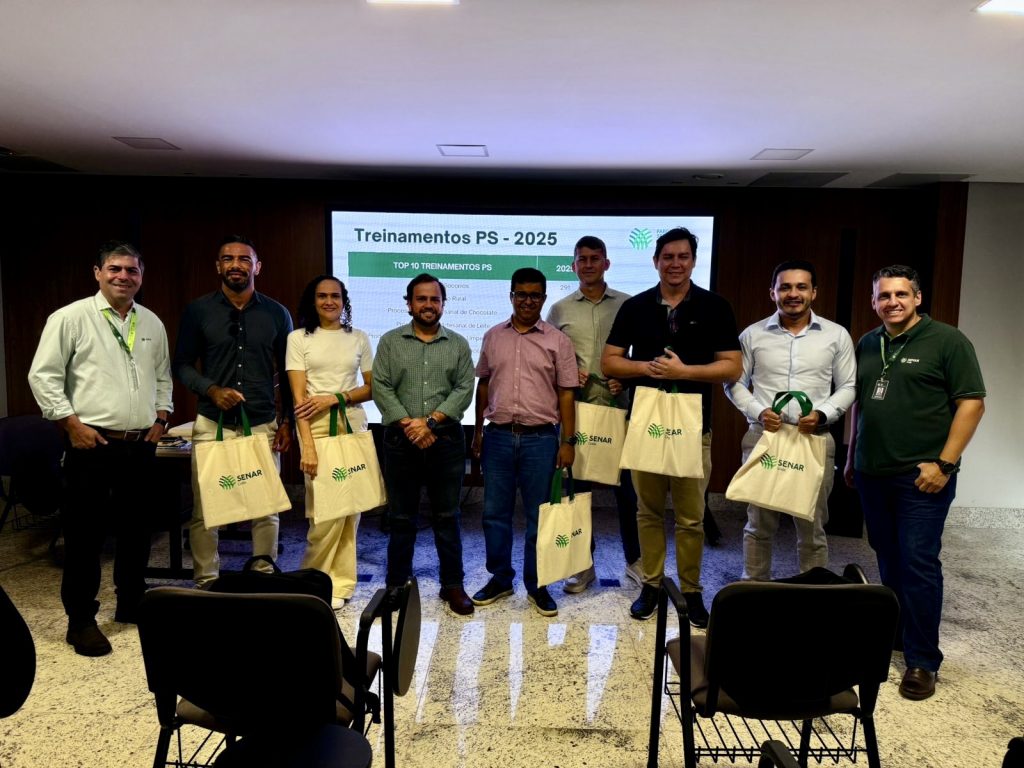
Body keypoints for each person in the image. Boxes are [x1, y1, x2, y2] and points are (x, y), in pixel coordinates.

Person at [844, 264, 985, 701]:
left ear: (917, 298)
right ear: (874, 302)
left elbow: (972, 404)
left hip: (922, 478)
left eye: (901, 294)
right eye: (884, 295)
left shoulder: (948, 341)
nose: (893, 302)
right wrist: (851, 456)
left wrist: (944, 464)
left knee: (919, 562)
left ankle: (923, 660)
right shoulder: (869, 342)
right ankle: (898, 635)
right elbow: (862, 404)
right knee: (887, 557)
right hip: (873, 473)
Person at [28, 241, 173, 656]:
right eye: (115, 268)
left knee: (137, 531)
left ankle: (131, 603)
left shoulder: (151, 321)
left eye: (132, 270)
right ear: (98, 272)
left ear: (141, 276)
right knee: (85, 535)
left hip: (140, 443)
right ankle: (81, 621)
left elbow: (162, 375)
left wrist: (162, 417)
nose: (123, 276)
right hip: (91, 443)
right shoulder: (70, 318)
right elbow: (43, 377)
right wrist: (70, 424)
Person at [602, 227, 741, 626]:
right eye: (668, 257)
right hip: (645, 423)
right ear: (656, 261)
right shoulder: (636, 306)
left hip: (694, 428)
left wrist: (685, 372)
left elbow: (732, 367)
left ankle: (692, 591)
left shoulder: (715, 306)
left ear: (693, 261)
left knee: (691, 516)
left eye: (683, 256)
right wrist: (647, 367)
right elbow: (610, 361)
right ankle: (651, 584)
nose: (675, 264)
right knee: (647, 511)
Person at [173, 235, 293, 587]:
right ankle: (206, 580)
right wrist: (211, 389)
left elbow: (290, 373)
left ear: (257, 267)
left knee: (265, 507)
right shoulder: (198, 311)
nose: (236, 265)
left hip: (262, 423)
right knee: (205, 509)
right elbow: (181, 364)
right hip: (214, 423)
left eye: (244, 259)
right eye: (228, 259)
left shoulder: (276, 313)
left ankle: (262, 575)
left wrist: (287, 421)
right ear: (218, 266)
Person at [725, 260, 855, 580]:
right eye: (785, 287)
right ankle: (754, 592)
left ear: (814, 292)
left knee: (812, 529)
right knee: (758, 526)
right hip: (764, 437)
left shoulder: (836, 335)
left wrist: (823, 414)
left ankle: (812, 595)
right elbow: (734, 383)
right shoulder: (752, 335)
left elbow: (849, 386)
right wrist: (758, 411)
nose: (793, 294)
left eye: (801, 287)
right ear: (773, 293)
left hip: (813, 439)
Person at [470, 267, 578, 617]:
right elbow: (484, 385)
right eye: (521, 294)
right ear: (511, 295)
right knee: (494, 514)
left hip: (541, 441)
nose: (527, 301)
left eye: (534, 295)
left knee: (539, 517)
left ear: (543, 299)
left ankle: (538, 584)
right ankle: (501, 578)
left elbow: (566, 393)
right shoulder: (492, 336)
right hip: (498, 437)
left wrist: (568, 441)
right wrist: (478, 431)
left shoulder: (558, 341)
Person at [373, 274, 475, 616]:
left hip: (446, 441)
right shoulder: (390, 342)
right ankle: (395, 585)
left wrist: (429, 423)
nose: (428, 305)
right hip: (400, 441)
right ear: (409, 304)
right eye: (421, 299)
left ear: (443, 304)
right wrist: (410, 424)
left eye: (434, 299)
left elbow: (464, 389)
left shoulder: (458, 344)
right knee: (401, 517)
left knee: (448, 516)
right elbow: (381, 387)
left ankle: (453, 585)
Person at [545, 235, 642, 593]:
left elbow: (642, 356)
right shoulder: (559, 310)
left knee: (629, 493)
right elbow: (548, 358)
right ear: (573, 266)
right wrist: (568, 373)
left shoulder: (629, 305)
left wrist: (626, 376)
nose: (588, 264)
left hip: (621, 410)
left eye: (595, 258)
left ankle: (635, 561)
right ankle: (581, 564)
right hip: (578, 413)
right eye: (582, 259)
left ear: (606, 263)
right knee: (577, 491)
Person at [286, 275, 373, 610]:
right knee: (324, 513)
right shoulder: (298, 338)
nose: (329, 302)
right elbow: (299, 398)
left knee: (351, 509)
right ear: (313, 301)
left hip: (352, 424)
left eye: (335, 296)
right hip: (316, 428)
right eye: (322, 296)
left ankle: (342, 583)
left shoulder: (359, 338)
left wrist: (336, 398)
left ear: (343, 301)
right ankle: (312, 580)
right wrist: (307, 445)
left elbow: (371, 388)